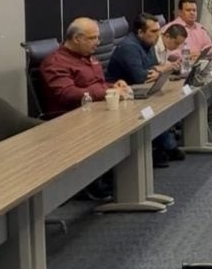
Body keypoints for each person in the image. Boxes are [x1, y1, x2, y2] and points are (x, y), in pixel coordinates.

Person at [107, 13, 184, 167]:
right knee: (156, 107)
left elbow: (152, 70)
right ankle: (161, 148)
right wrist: (158, 70)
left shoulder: (147, 44)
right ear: (140, 32)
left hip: (139, 91)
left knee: (163, 101)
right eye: (153, 31)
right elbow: (141, 77)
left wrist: (156, 70)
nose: (158, 35)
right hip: (122, 96)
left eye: (158, 30)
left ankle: (165, 146)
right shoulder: (129, 47)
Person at [40, 17, 129, 117]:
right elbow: (68, 94)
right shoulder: (55, 62)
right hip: (73, 117)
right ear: (76, 39)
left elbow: (97, 84)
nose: (97, 43)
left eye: (98, 38)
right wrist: (107, 92)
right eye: (92, 38)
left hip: (98, 109)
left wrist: (112, 86)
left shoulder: (88, 56)